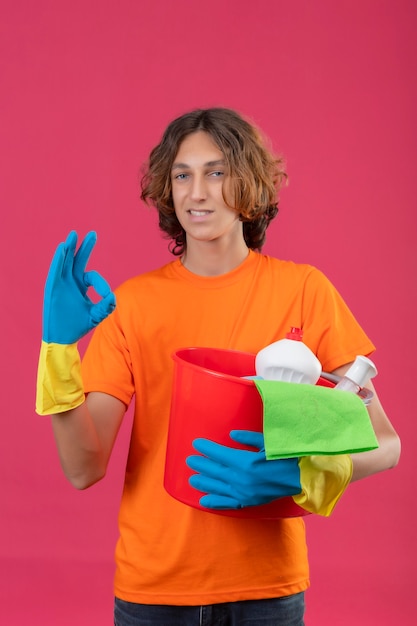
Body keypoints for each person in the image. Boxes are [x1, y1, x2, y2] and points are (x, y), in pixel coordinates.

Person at [36, 107, 400, 625]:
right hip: (154, 591)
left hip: (266, 590)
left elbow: (387, 444)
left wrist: (300, 475)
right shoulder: (132, 304)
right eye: (183, 174)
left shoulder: (303, 291)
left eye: (216, 172)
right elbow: (82, 467)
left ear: (249, 183)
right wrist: (58, 352)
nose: (197, 192)